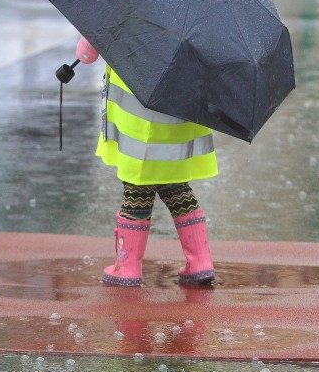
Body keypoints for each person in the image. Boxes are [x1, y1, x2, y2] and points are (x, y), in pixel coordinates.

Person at [75, 37, 218, 286]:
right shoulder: (195, 12)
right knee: (173, 183)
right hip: (180, 107)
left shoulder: (125, 3)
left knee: (137, 185)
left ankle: (126, 265)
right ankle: (200, 262)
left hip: (137, 113)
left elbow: (87, 54)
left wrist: (87, 43)